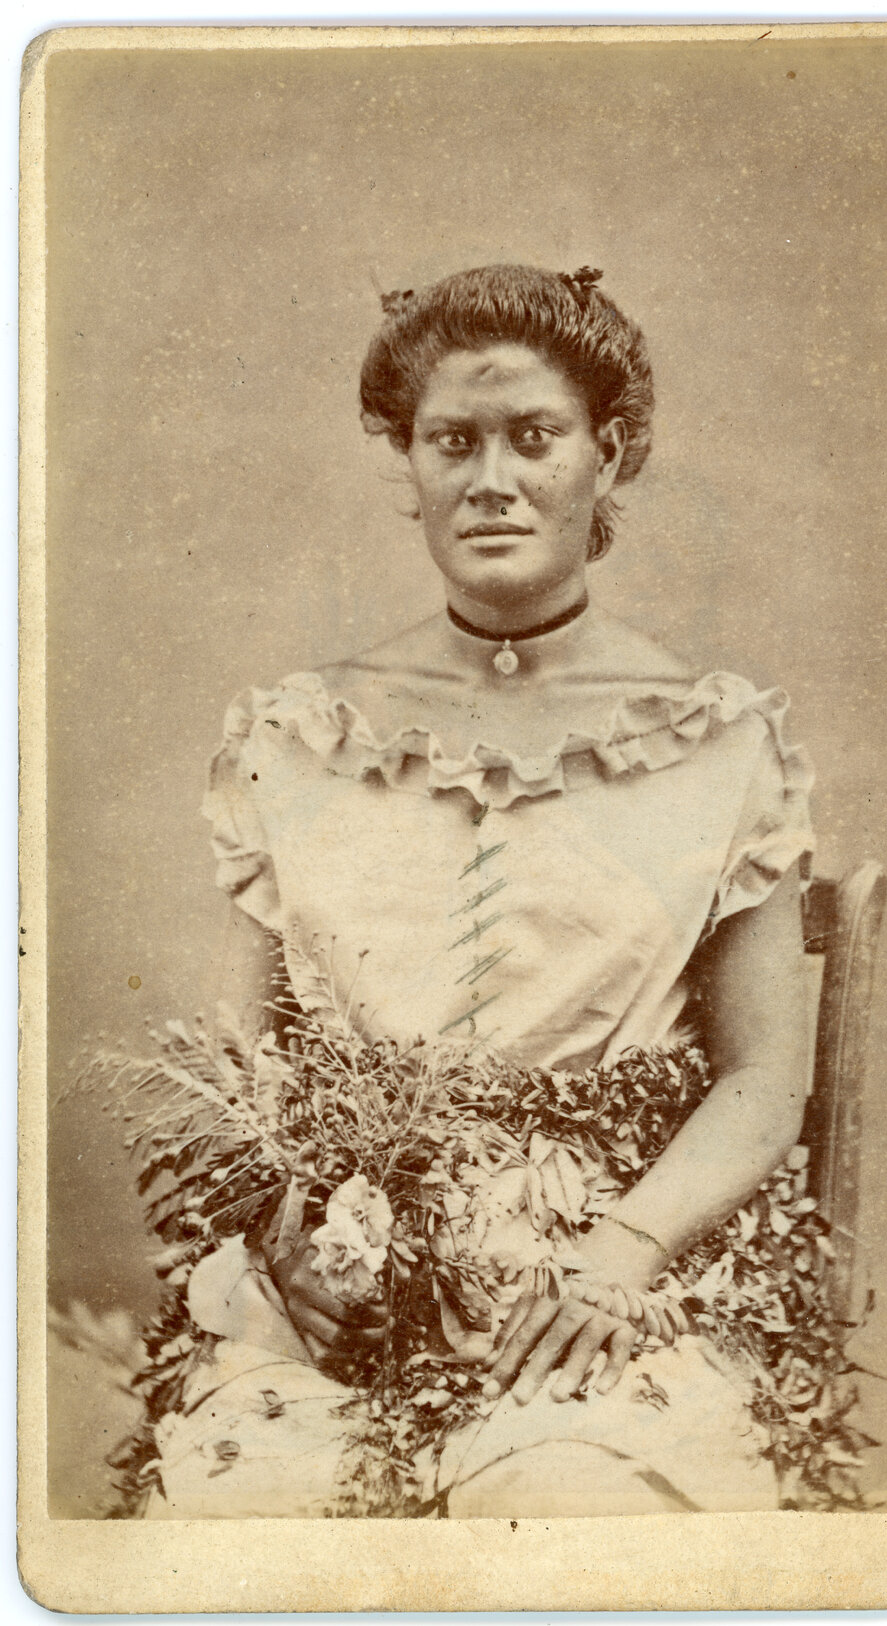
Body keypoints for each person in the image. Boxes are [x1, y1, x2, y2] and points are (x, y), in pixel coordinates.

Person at [147, 264, 814, 1519]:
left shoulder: (718, 739)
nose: (492, 478)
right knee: (251, 1518)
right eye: (452, 441)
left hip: (614, 1282)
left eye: (534, 437)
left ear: (605, 459)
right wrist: (287, 1231)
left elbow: (767, 1076)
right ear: (409, 463)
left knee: (573, 1504)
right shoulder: (295, 734)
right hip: (341, 1282)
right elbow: (227, 1060)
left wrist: (625, 1252)